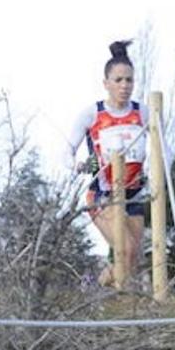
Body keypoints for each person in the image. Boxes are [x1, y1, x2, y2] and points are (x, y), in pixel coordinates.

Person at [66, 41, 148, 289]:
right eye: (119, 80)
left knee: (132, 258)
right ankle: (104, 291)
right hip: (102, 193)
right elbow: (65, 150)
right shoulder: (92, 113)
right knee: (124, 248)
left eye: (129, 80)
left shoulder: (143, 111)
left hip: (134, 193)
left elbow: (160, 144)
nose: (124, 86)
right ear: (106, 83)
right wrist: (77, 165)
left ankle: (94, 287)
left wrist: (160, 174)